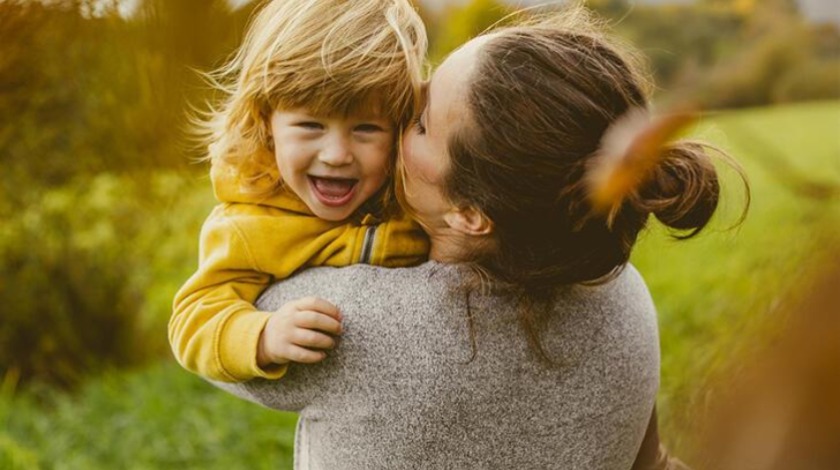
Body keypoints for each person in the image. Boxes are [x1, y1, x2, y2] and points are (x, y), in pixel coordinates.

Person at [212, 5, 742, 469]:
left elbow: (213, 327)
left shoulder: (341, 319)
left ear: (469, 213)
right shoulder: (621, 291)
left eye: (417, 123)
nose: (398, 114)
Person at [169, 0, 430, 383]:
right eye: (310, 125)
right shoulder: (250, 222)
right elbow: (193, 318)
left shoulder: (415, 188)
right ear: (265, 122)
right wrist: (263, 336)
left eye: (366, 129)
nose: (337, 155)